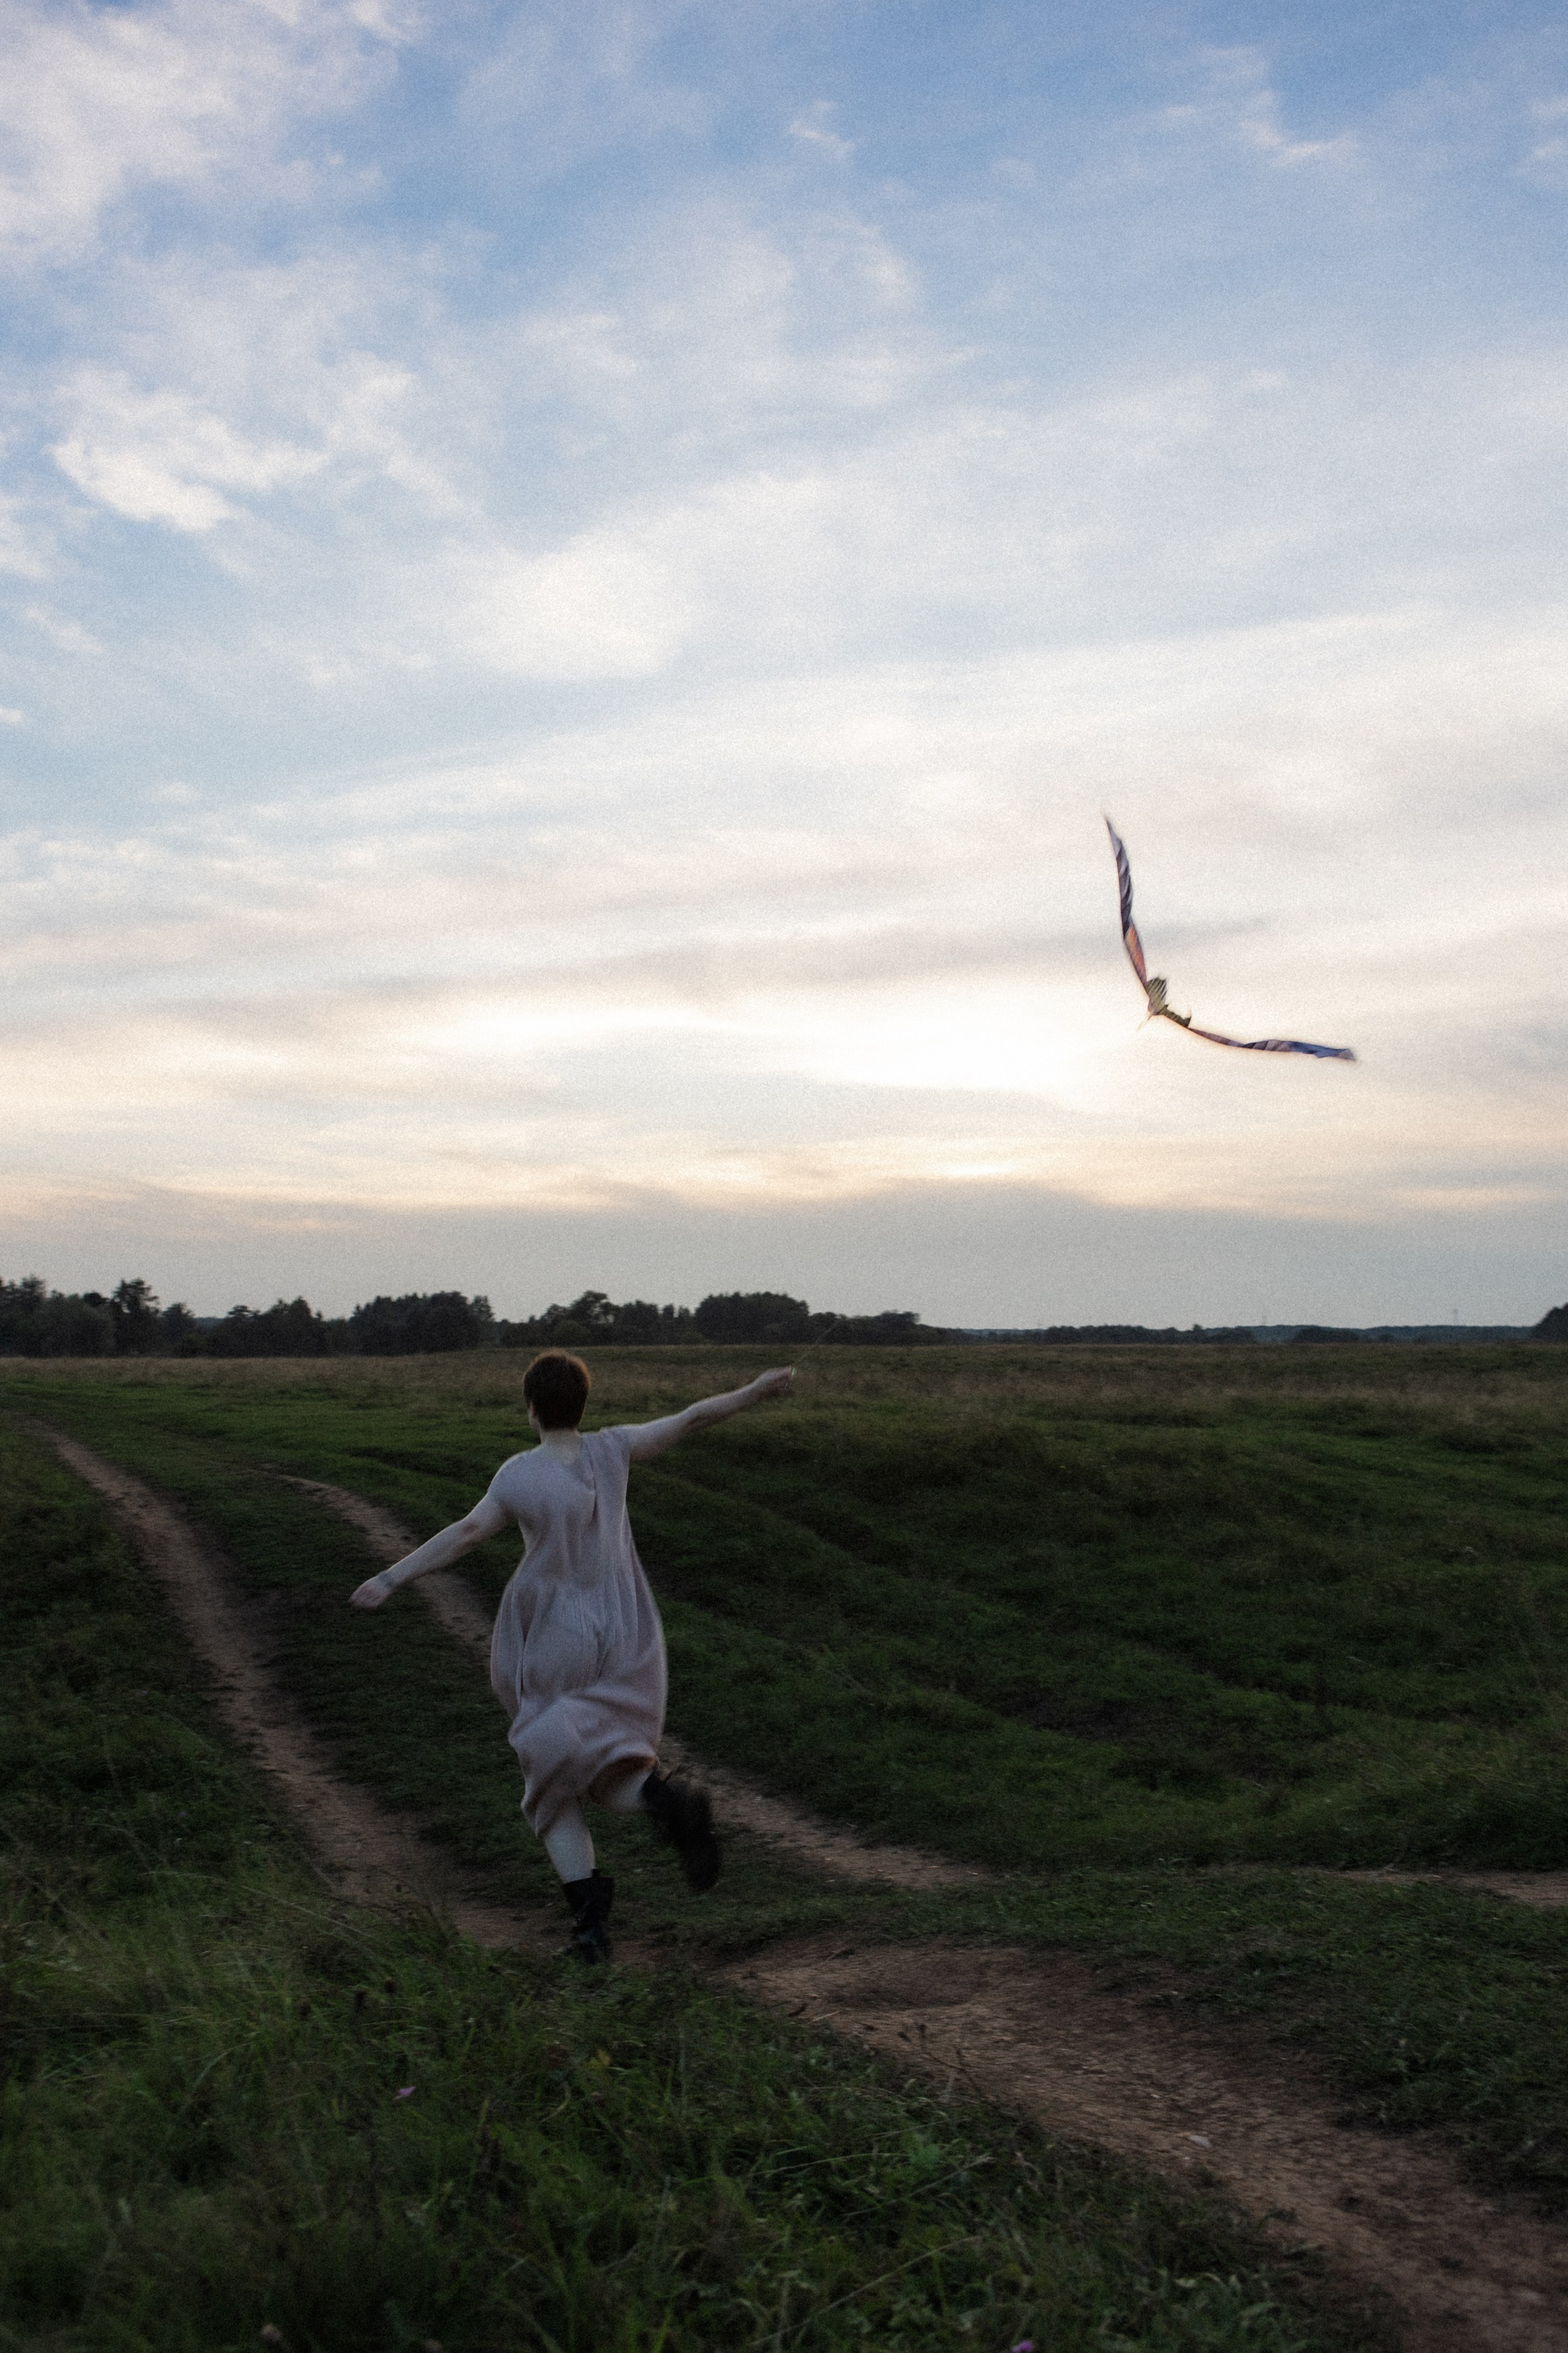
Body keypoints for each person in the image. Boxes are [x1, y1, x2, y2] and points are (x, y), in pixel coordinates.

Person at [349, 1350, 794, 1960]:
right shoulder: (613, 1449)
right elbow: (690, 1419)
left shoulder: (518, 1474)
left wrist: (392, 1577)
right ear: (581, 1406)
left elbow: (468, 1533)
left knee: (551, 1785)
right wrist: (755, 1389)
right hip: (625, 1625)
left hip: (556, 1633)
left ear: (531, 1409)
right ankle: (666, 1803)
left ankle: (589, 1930)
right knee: (608, 1759)